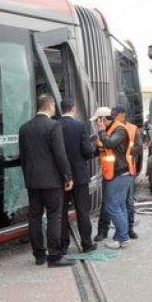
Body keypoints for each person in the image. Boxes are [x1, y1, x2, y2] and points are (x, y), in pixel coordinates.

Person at [19, 93, 74, 267]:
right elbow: (60, 154)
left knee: (34, 217)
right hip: (52, 182)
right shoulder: (53, 126)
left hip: (33, 182)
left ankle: (39, 256)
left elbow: (23, 157)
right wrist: (68, 176)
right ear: (50, 105)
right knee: (54, 217)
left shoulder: (24, 128)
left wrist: (28, 176)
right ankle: (55, 256)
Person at [95, 104, 143, 241]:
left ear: (122, 114)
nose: (115, 116)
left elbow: (136, 148)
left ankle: (125, 233)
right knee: (116, 204)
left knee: (120, 204)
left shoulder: (125, 129)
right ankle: (111, 233)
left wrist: (125, 151)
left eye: (116, 114)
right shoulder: (110, 129)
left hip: (123, 171)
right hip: (111, 172)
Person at [58, 98, 97, 253]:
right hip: (79, 176)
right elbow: (88, 151)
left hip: (61, 176)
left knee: (61, 212)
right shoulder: (80, 126)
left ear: (62, 109)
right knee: (82, 211)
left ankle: (63, 246)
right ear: (73, 109)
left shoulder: (55, 125)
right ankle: (87, 244)